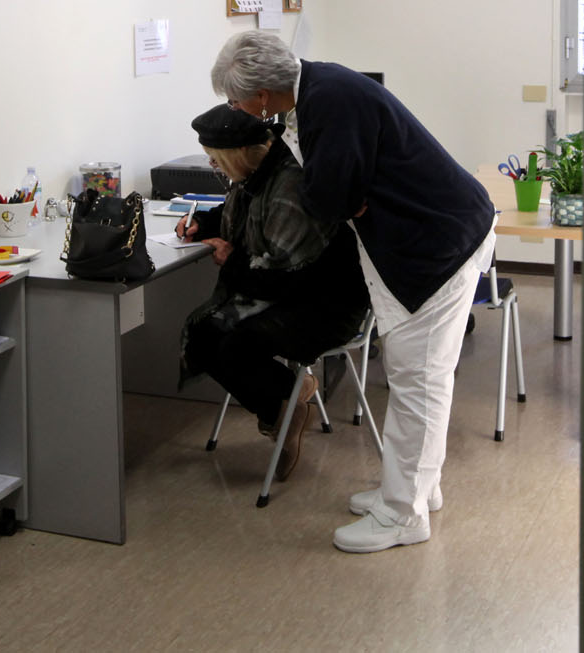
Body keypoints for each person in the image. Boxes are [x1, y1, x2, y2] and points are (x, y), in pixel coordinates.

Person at [210, 31, 497, 553]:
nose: (233, 110)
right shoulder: (318, 90)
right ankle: (416, 488)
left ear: (262, 98)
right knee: (420, 378)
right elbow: (336, 192)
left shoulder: (331, 100)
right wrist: (344, 195)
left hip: (436, 247)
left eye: (234, 101)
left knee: (417, 380)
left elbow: (329, 197)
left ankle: (402, 515)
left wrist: (345, 196)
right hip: (426, 236)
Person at [177, 104, 369, 484]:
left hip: (325, 302)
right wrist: (202, 223)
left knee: (235, 345)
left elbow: (282, 272)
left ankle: (286, 409)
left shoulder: (289, 185)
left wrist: (230, 258)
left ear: (239, 155)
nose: (214, 166)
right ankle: (287, 402)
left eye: (216, 159)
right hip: (285, 288)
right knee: (202, 332)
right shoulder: (256, 176)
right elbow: (239, 217)